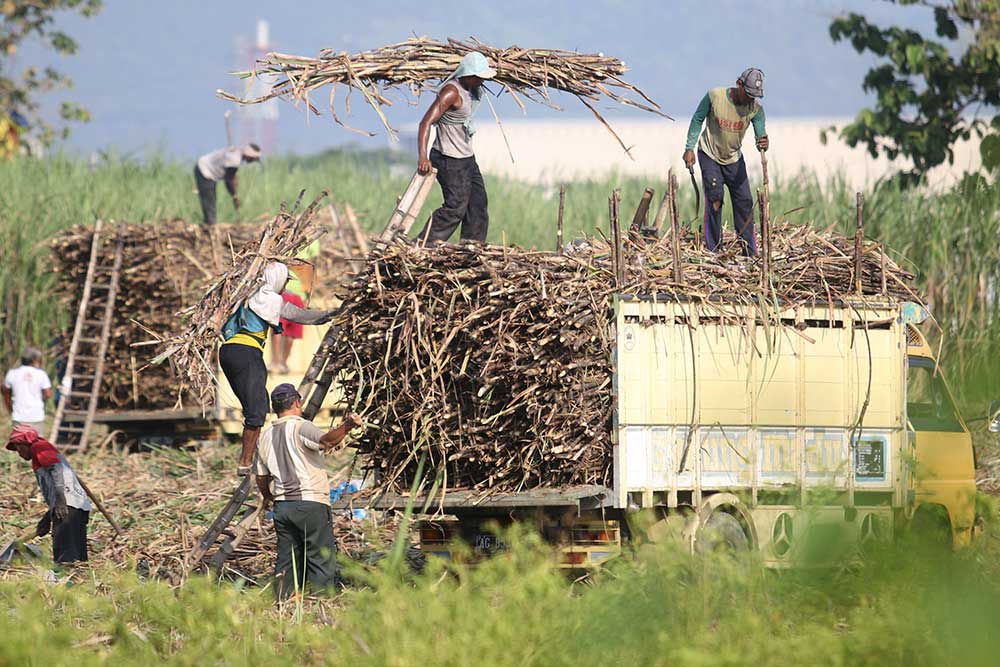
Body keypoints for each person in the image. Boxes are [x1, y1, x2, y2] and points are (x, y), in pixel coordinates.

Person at [221, 261, 334, 476]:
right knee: (257, 412)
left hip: (228, 352)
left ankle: (251, 456)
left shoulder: (244, 295)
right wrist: (330, 315)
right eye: (283, 283)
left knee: (257, 404)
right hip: (247, 353)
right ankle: (246, 462)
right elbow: (300, 315)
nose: (284, 288)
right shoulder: (268, 299)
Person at [255, 383, 362, 599]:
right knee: (320, 557)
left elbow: (261, 476)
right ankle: (322, 602)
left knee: (287, 559)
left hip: (282, 507)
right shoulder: (301, 427)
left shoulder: (265, 436)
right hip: (310, 503)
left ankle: (284, 603)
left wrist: (268, 496)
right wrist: (348, 425)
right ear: (296, 402)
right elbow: (325, 442)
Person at [682, 67, 769, 256]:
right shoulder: (715, 96)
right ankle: (713, 250)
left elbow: (760, 136)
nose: (750, 99)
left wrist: (763, 141)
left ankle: (749, 252)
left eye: (754, 96)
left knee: (745, 201)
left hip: (733, 158)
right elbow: (697, 119)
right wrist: (689, 148)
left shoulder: (755, 110)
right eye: (748, 94)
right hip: (710, 154)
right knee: (715, 197)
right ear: (739, 84)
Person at [415, 51, 497, 244]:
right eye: (478, 78)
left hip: (466, 157)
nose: (481, 81)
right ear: (468, 75)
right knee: (455, 208)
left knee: (478, 203)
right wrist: (423, 156)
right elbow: (425, 122)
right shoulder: (451, 93)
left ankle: (471, 246)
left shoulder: (470, 90)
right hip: (448, 158)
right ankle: (424, 244)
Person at [6, 425, 92, 563]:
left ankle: (67, 582)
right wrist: (47, 519)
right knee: (78, 557)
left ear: (25, 443)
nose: (19, 453)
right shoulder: (42, 450)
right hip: (77, 506)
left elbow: (56, 469)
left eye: (18, 447)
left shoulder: (39, 447)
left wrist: (60, 500)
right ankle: (78, 581)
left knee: (65, 558)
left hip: (67, 505)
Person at [271, 241, 320, 375]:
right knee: (279, 327)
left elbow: (311, 266)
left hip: (298, 293)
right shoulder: (291, 240)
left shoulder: (312, 241)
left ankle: (282, 362)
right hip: (284, 291)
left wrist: (310, 290)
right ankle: (276, 362)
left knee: (290, 331)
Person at [194, 143, 261, 226]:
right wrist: (234, 196)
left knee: (211, 199)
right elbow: (228, 181)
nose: (252, 161)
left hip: (209, 171)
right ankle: (210, 226)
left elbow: (230, 174)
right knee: (209, 200)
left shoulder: (237, 152)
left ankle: (210, 224)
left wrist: (233, 178)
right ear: (248, 155)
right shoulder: (234, 159)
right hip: (204, 170)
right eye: (252, 159)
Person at [3, 347, 52, 433]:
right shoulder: (41, 374)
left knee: (20, 444)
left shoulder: (12, 373)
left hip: (19, 416)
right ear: (33, 360)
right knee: (36, 444)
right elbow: (48, 394)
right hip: (36, 416)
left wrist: (11, 410)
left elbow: (5, 394)